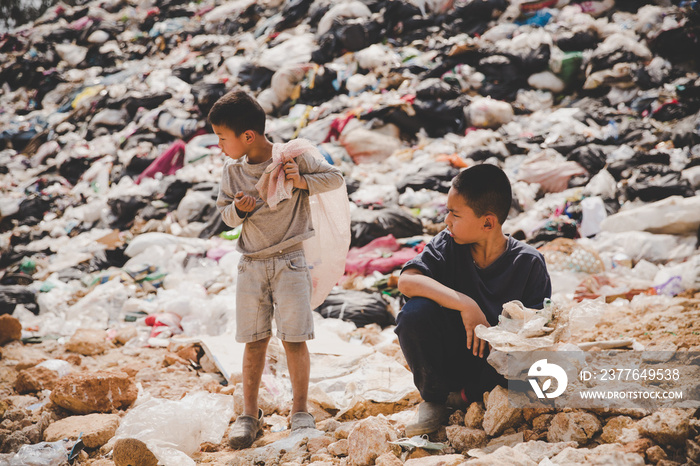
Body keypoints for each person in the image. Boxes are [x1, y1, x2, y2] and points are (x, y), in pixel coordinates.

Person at [209, 90, 344, 449]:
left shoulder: (291, 158)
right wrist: (241, 209)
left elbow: (335, 179)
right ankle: (249, 416)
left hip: (290, 262)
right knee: (254, 342)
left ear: (247, 137)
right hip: (251, 265)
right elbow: (224, 217)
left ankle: (300, 411)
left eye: (223, 138)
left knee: (294, 339)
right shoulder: (232, 173)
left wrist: (300, 180)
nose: (220, 145)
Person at [394, 163, 551, 436]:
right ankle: (435, 399)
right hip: (453, 357)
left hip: (494, 371)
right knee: (414, 313)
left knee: (528, 356)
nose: (447, 221)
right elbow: (407, 281)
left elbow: (537, 337)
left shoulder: (529, 264)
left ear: (487, 222)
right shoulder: (449, 244)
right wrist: (466, 304)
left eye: (455, 214)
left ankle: (465, 398)